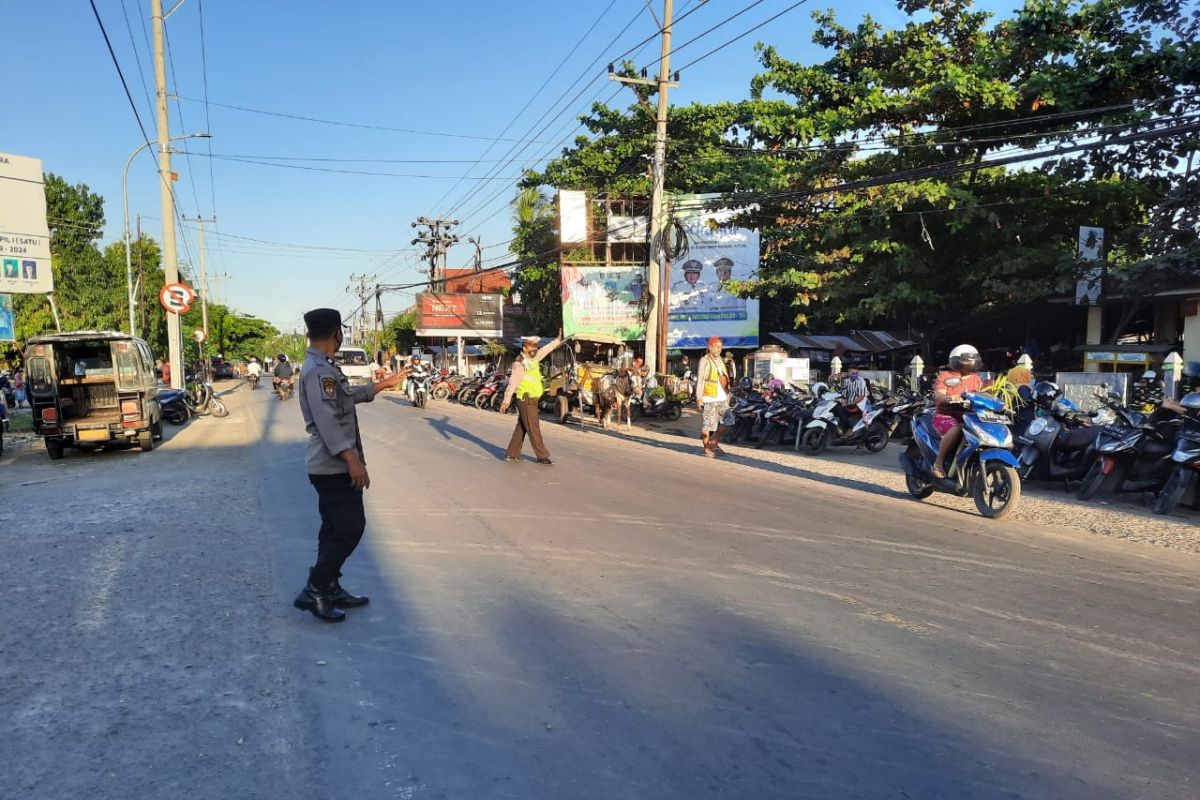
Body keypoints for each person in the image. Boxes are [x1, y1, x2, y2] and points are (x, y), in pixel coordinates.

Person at [293, 308, 409, 623]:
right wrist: (353, 461)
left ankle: (329, 585)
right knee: (350, 527)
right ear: (336, 334)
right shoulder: (318, 370)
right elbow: (328, 421)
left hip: (329, 465)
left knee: (333, 528)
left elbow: (343, 399)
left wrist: (383, 385)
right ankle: (316, 588)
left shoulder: (323, 367)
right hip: (331, 466)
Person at [500, 334, 564, 464]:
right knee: (533, 427)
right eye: (532, 347)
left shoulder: (533, 358)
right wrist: (506, 400)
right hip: (525, 398)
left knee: (523, 426)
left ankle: (512, 453)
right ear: (524, 348)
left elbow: (547, 349)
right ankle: (542, 456)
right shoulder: (520, 363)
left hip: (532, 398)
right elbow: (513, 382)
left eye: (536, 346)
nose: (535, 349)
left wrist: (558, 339)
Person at [931, 344, 985, 479]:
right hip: (945, 415)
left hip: (970, 417)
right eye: (965, 359)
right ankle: (939, 462)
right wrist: (948, 398)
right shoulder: (946, 376)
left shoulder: (976, 379)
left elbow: (983, 395)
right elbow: (939, 395)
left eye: (972, 359)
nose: (969, 362)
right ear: (956, 361)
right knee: (956, 428)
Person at [695, 336, 730, 457]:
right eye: (717, 346)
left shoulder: (720, 359)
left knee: (728, 420)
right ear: (710, 347)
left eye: (720, 347)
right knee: (708, 424)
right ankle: (706, 449)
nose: (719, 349)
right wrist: (699, 397)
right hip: (709, 397)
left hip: (722, 397)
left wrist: (728, 395)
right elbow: (700, 379)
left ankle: (714, 442)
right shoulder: (704, 360)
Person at [838, 365, 869, 433]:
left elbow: (861, 396)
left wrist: (852, 403)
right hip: (850, 403)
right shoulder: (846, 381)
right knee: (836, 408)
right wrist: (844, 403)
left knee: (841, 411)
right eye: (853, 373)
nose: (855, 375)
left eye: (857, 373)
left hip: (859, 405)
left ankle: (849, 429)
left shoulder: (861, 382)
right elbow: (845, 395)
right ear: (848, 373)